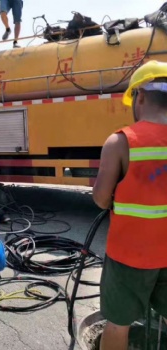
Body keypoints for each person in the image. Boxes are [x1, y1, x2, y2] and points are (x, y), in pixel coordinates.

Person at [92, 60, 167, 350]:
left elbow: (101, 200)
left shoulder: (121, 142)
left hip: (129, 257)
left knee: (118, 324)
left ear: (141, 96)